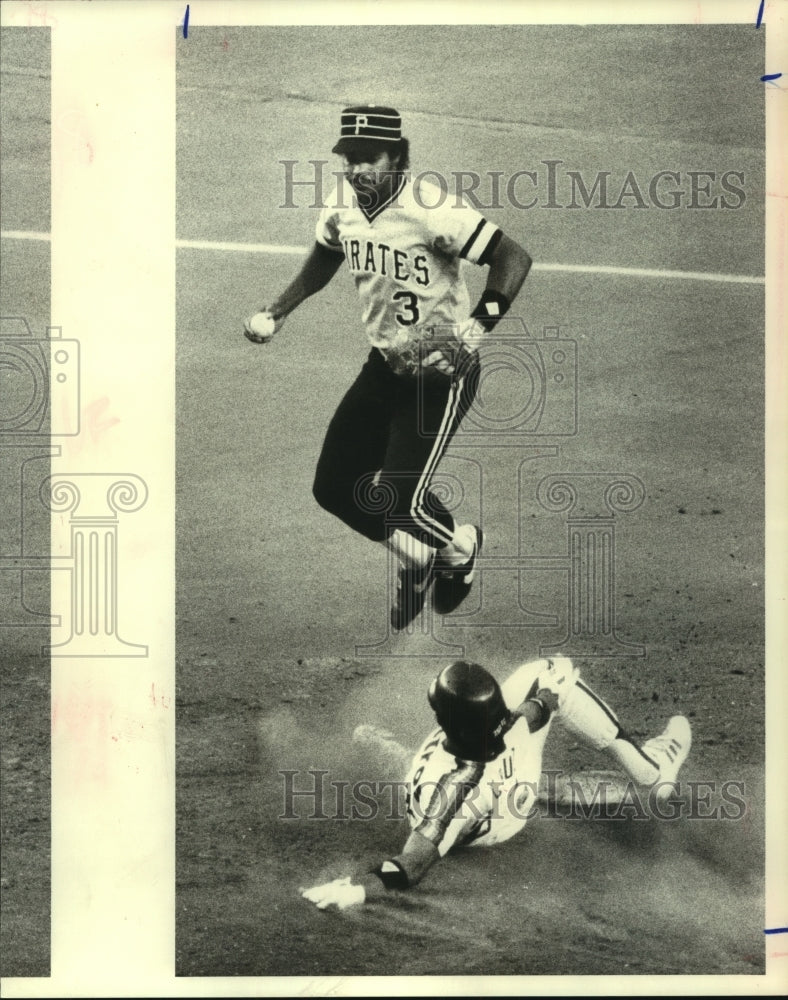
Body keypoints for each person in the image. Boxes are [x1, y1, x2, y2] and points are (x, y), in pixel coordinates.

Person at [244, 105, 532, 629]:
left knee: (399, 502)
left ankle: (459, 548)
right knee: (333, 487)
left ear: (398, 158)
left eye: (368, 159)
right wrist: (279, 308)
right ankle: (420, 558)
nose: (356, 171)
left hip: (441, 376)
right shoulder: (344, 206)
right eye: (348, 159)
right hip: (384, 368)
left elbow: (513, 257)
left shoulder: (433, 209)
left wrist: (474, 329)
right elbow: (328, 250)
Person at [300, 655, 692, 909]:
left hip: (472, 804)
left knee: (528, 789)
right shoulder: (506, 727)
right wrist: (549, 692)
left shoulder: (454, 788)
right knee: (540, 772)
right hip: (490, 813)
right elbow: (540, 706)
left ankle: (653, 774)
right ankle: (652, 772)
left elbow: (411, 866)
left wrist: (356, 889)